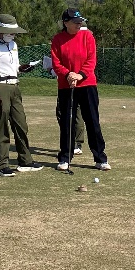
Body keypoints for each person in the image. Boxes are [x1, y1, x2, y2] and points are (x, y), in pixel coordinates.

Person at [51, 9, 109, 171]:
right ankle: (65, 158)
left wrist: (80, 75)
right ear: (66, 23)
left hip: (87, 84)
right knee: (67, 123)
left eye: (80, 21)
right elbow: (56, 63)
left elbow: (91, 60)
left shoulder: (87, 36)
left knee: (92, 121)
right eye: (75, 22)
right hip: (66, 85)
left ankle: (100, 158)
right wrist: (68, 74)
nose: (79, 24)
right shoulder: (57, 39)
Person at [0, 15, 42, 176]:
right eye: (10, 32)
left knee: (21, 124)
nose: (13, 35)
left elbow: (14, 67)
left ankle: (25, 161)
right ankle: (2, 165)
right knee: (2, 128)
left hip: (15, 86)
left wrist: (22, 68)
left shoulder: (13, 45)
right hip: (0, 87)